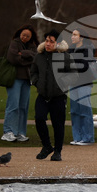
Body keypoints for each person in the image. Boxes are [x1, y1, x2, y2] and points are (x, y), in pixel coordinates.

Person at [30, 30, 68, 161]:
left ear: (57, 43)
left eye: (51, 41)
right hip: (42, 95)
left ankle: (58, 151)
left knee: (58, 124)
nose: (48, 43)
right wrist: (36, 82)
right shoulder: (39, 56)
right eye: (46, 40)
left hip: (58, 96)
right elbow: (33, 72)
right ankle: (47, 146)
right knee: (39, 119)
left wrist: (62, 84)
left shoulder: (65, 57)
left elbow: (74, 75)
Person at [2, 25, 37, 142]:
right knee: (13, 105)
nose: (25, 37)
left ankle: (20, 132)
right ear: (19, 34)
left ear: (31, 37)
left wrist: (23, 54)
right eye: (23, 35)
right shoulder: (14, 43)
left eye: (27, 36)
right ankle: (8, 131)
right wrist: (27, 58)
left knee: (23, 107)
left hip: (27, 80)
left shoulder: (33, 45)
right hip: (15, 79)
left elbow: (35, 57)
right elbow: (12, 58)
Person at [67, 28, 97, 146]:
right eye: (72, 34)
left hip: (84, 82)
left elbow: (84, 66)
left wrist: (70, 64)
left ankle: (88, 138)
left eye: (75, 35)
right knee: (74, 110)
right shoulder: (70, 49)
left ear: (81, 37)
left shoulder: (88, 49)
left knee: (85, 110)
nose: (72, 37)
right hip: (73, 82)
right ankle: (77, 137)